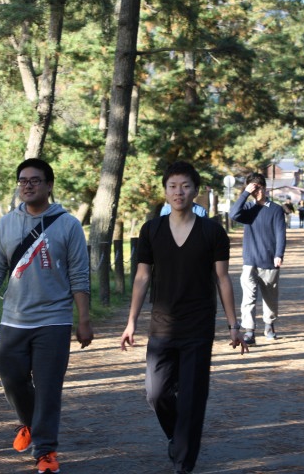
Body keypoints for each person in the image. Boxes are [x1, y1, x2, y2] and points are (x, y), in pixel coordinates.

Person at [121, 161, 248, 474]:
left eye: (185, 186)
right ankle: (178, 437)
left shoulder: (212, 232)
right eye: (173, 186)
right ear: (165, 191)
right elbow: (142, 276)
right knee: (156, 393)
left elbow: (222, 279)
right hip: (161, 326)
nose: (179, 192)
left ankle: (183, 462)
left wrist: (234, 325)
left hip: (198, 326)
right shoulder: (151, 230)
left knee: (192, 397)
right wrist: (131, 321)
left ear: (195, 191)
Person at [0, 158, 93, 474]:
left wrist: (83, 319)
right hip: (14, 319)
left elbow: (79, 274)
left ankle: (45, 451)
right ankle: (30, 422)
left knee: (48, 387)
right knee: (8, 372)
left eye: (35, 180)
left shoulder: (68, 225)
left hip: (54, 320)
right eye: (23, 181)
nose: (28, 186)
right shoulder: (6, 224)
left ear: (49, 185)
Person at [229, 173, 287, 344]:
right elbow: (233, 214)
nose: (257, 192)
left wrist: (279, 254)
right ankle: (249, 331)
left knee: (270, 298)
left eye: (258, 188)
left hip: (269, 260)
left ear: (264, 187)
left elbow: (280, 233)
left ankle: (269, 325)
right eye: (253, 189)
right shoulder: (247, 208)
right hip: (250, 261)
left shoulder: (275, 209)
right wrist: (245, 193)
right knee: (248, 298)